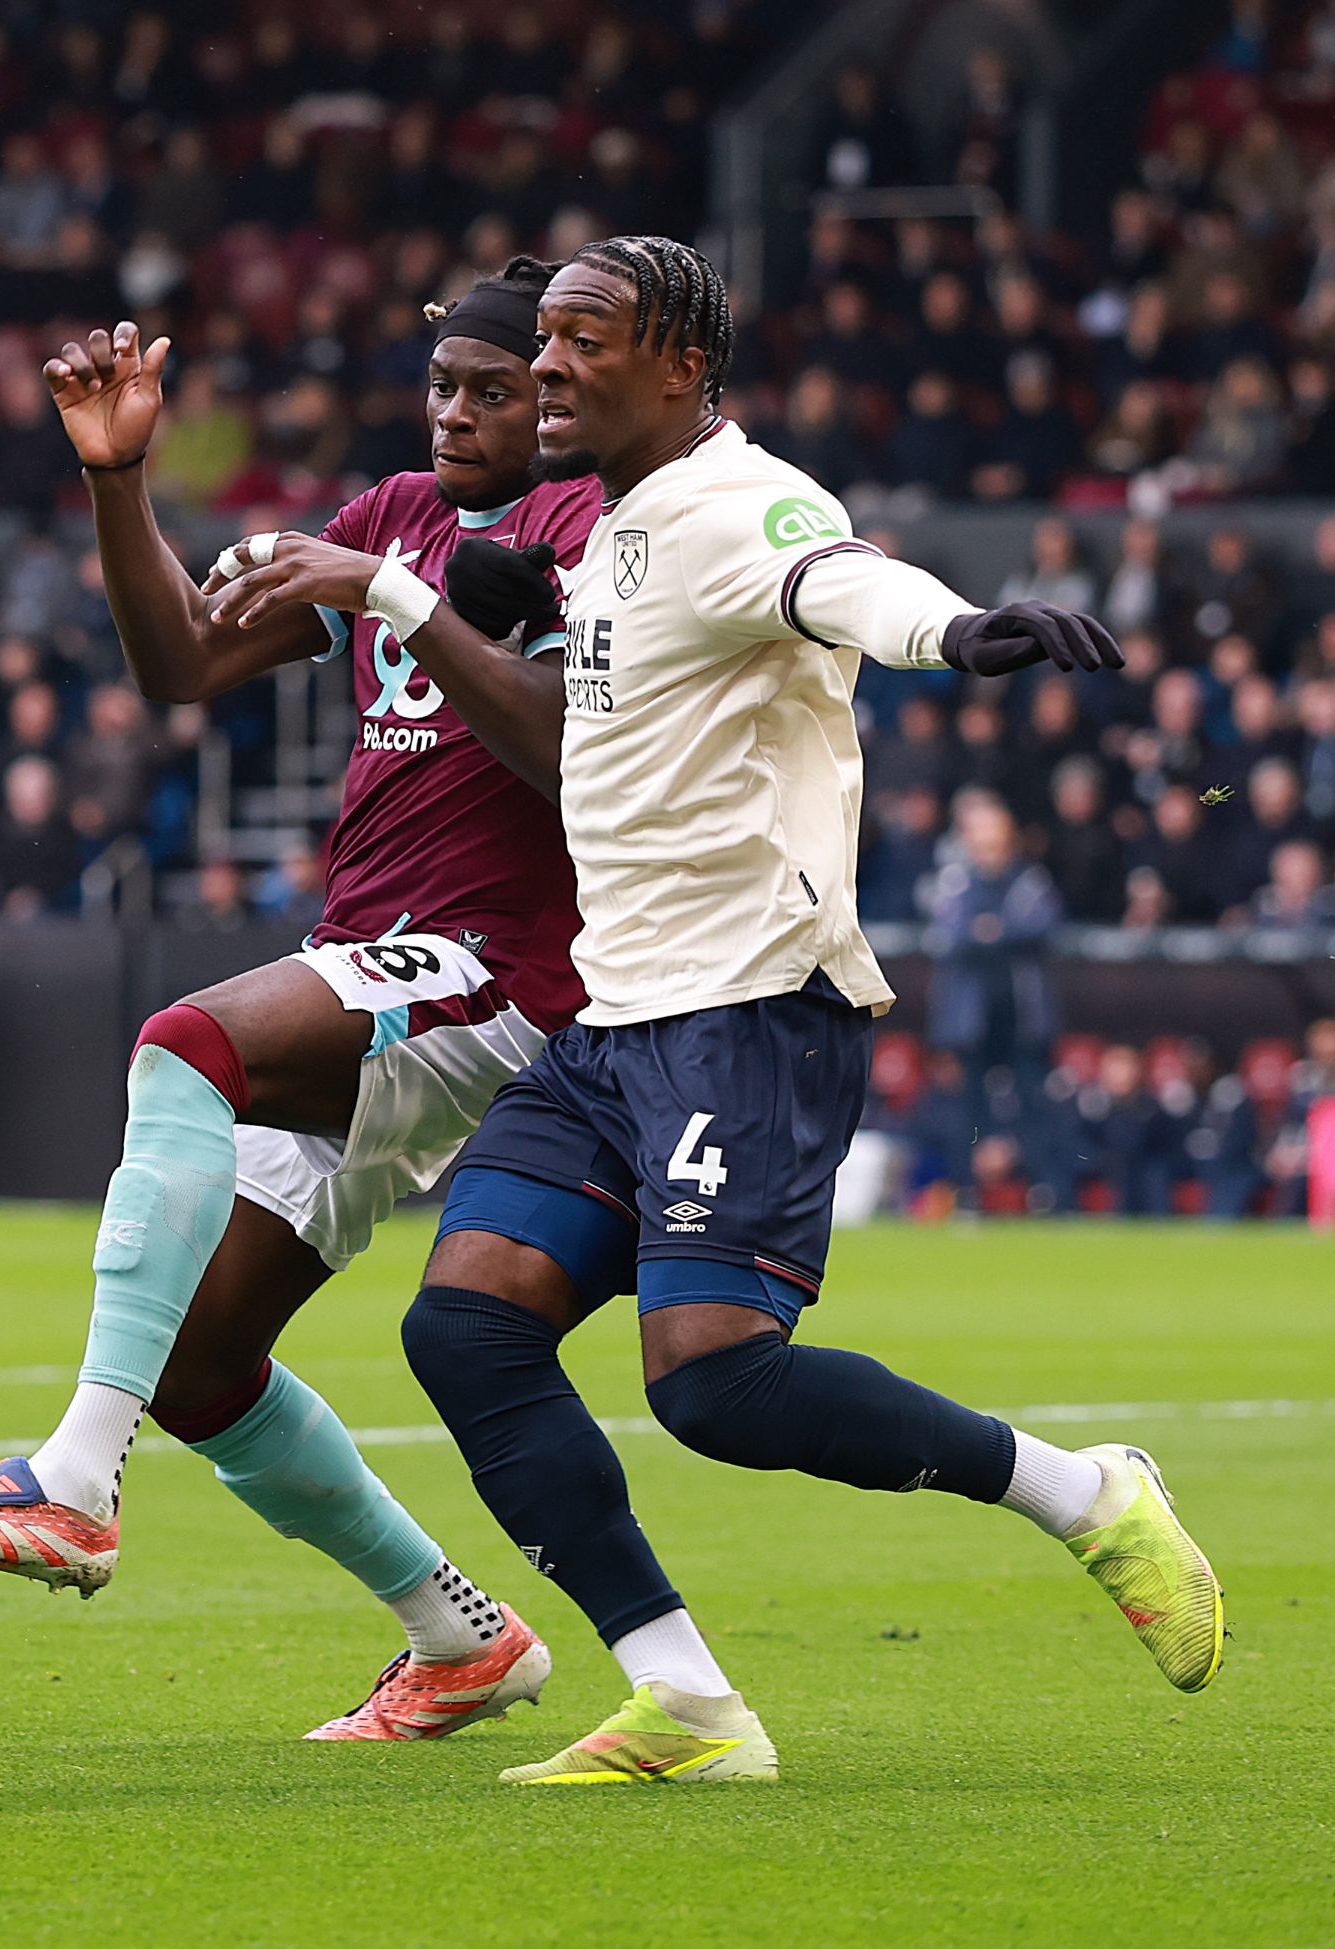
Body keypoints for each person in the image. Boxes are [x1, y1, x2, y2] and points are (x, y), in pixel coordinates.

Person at [387, 237, 1223, 1787]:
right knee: (466, 1325)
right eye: (544, 338)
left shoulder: (741, 501)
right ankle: (684, 1700)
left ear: (681, 366)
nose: (546, 364)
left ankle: (1085, 1493)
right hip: (614, 1021)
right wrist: (536, 597)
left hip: (747, 1010)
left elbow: (833, 578)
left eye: (584, 339)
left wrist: (955, 630)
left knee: (714, 1382)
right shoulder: (617, 524)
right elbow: (643, 653)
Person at [0, 265, 594, 1742]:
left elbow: (574, 758)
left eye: (495, 391)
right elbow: (181, 662)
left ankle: (75, 1477)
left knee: (186, 1042)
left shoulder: (593, 531)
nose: (457, 413)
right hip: (375, 958)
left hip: (497, 964)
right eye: (444, 386)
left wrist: (402, 600)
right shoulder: (391, 513)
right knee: (201, 1365)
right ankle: (457, 1636)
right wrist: (118, 481)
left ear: (558, 400)